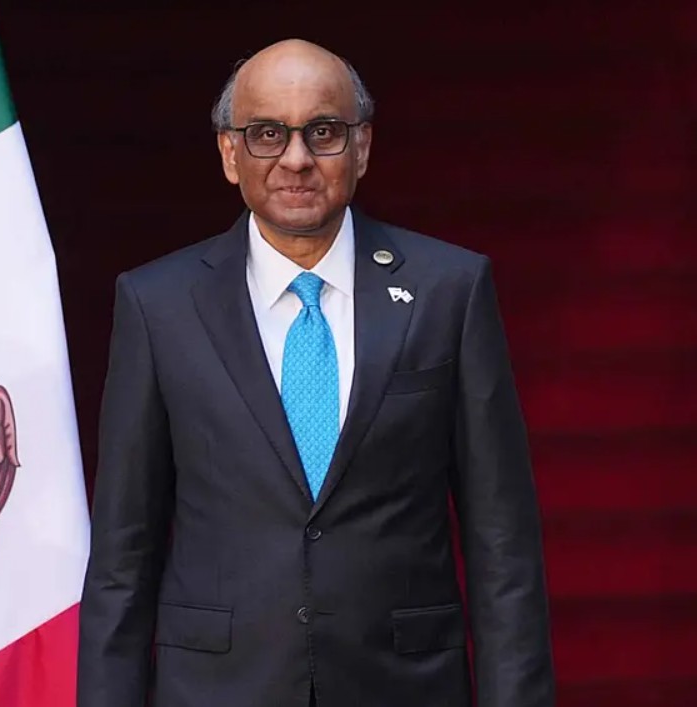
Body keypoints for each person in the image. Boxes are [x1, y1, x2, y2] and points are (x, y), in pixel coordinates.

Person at [77, 39, 554, 707]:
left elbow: (502, 542)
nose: (296, 159)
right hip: (219, 689)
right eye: (267, 133)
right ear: (228, 152)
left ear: (361, 147)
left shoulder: (451, 288)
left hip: (403, 686)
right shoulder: (158, 303)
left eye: (322, 132)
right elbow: (122, 559)